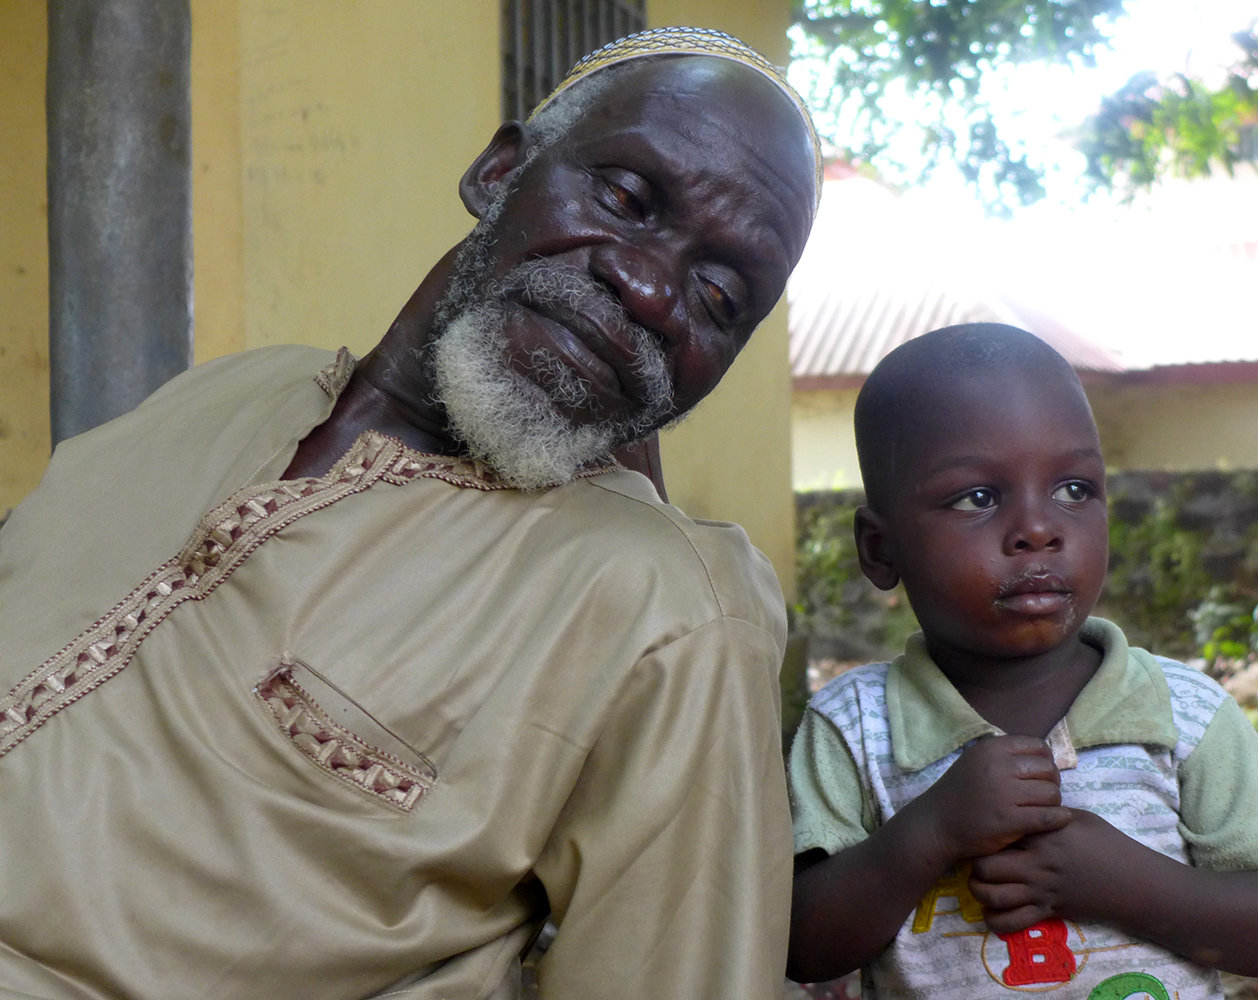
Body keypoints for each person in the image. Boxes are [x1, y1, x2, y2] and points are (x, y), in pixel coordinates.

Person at [0, 28, 819, 1000]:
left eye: (720, 296)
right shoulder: (231, 392)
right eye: (626, 198)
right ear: (499, 171)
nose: (646, 287)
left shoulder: (670, 606)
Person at [784, 324, 1258, 998]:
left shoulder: (1185, 716)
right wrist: (930, 832)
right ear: (879, 548)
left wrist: (1121, 883)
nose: (1039, 529)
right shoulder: (853, 728)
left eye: (1074, 490)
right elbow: (801, 945)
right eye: (978, 497)